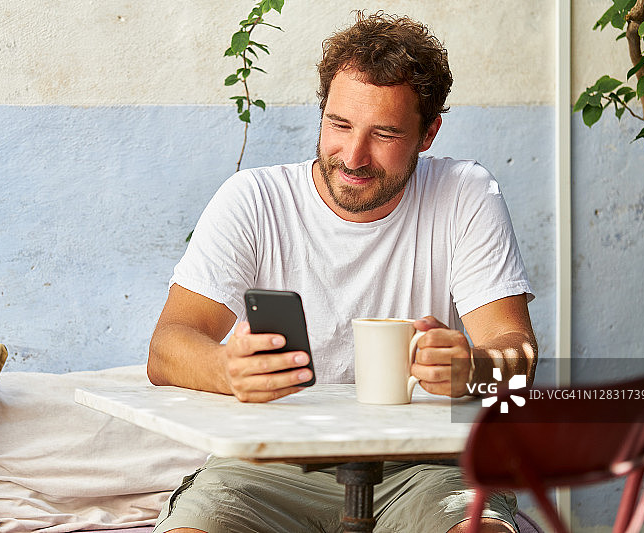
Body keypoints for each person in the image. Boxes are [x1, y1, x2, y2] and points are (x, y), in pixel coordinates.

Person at [147, 11, 537, 533]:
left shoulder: (465, 195)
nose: (353, 155)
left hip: (427, 469)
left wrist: (471, 369)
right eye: (339, 125)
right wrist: (226, 369)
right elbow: (167, 347)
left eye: (385, 133)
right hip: (270, 465)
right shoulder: (254, 200)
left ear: (428, 133)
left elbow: (519, 361)